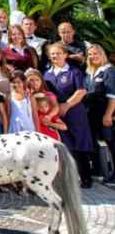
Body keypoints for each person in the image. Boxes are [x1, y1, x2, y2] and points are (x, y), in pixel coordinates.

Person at [44, 42, 93, 187]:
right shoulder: (47, 74)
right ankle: (68, 178)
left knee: (79, 145)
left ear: (65, 55)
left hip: (75, 112)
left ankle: (86, 178)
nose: (55, 56)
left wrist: (67, 105)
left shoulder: (74, 71)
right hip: (57, 114)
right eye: (52, 54)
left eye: (58, 53)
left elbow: (81, 91)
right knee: (64, 146)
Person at [84, 44, 115, 183]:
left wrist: (108, 114)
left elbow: (112, 96)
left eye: (96, 53)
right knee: (94, 142)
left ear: (102, 54)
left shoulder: (109, 71)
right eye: (90, 54)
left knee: (111, 142)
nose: (93, 56)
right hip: (91, 114)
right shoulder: (89, 72)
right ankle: (98, 171)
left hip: (105, 112)